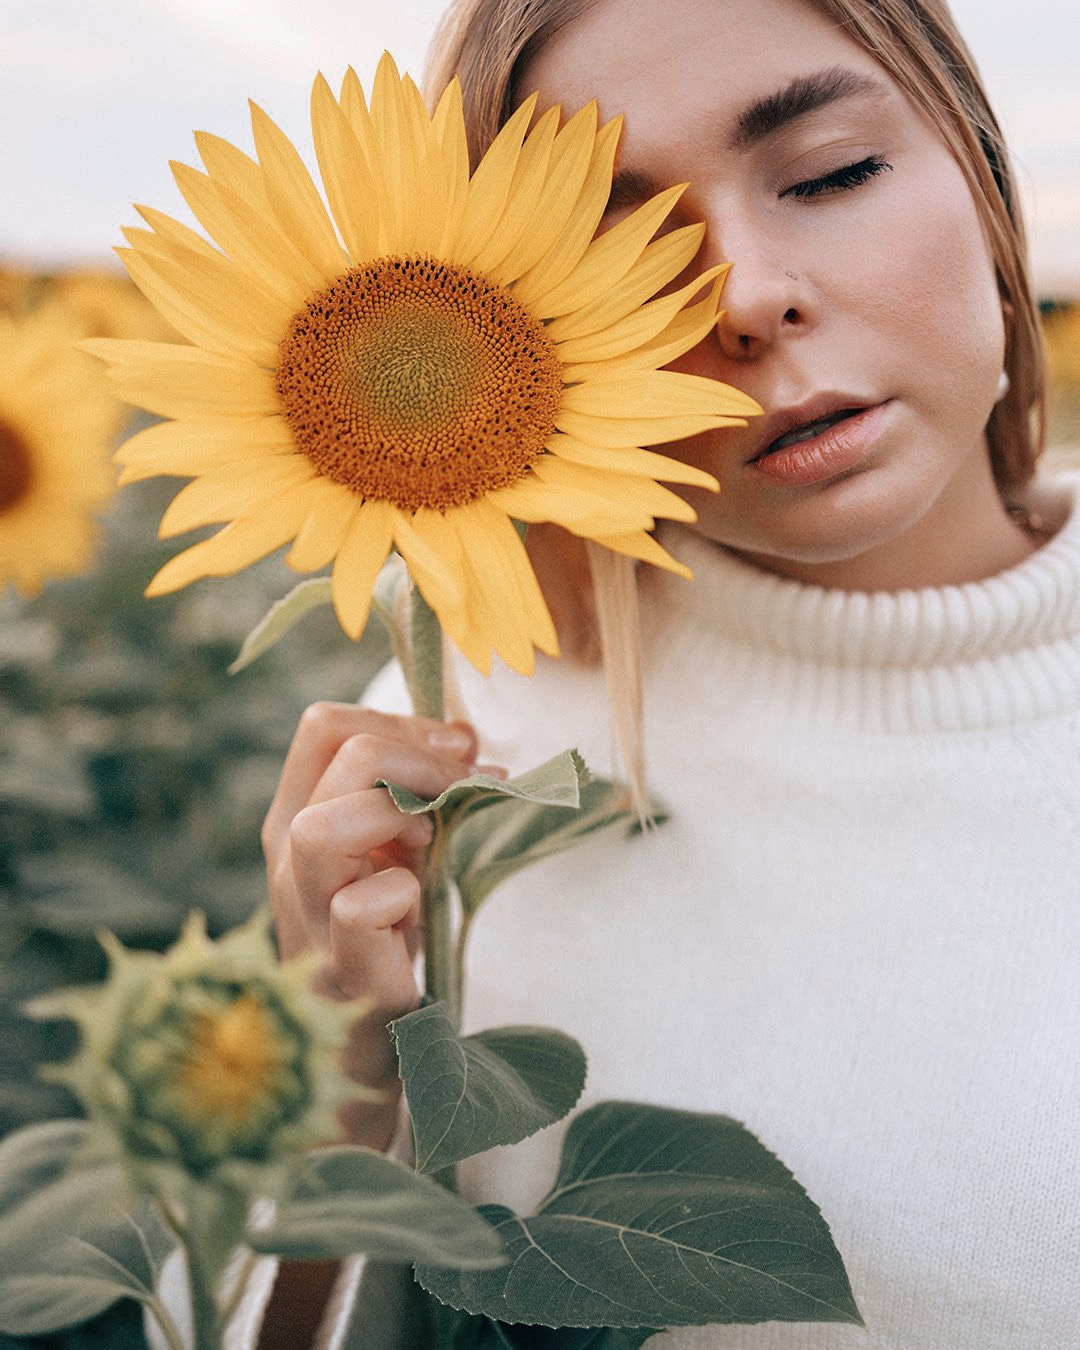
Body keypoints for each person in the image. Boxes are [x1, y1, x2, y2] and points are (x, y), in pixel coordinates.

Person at [258, 0, 1080, 1344]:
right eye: (626, 248)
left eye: (830, 173)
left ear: (984, 183)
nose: (748, 293)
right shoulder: (459, 742)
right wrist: (333, 1074)